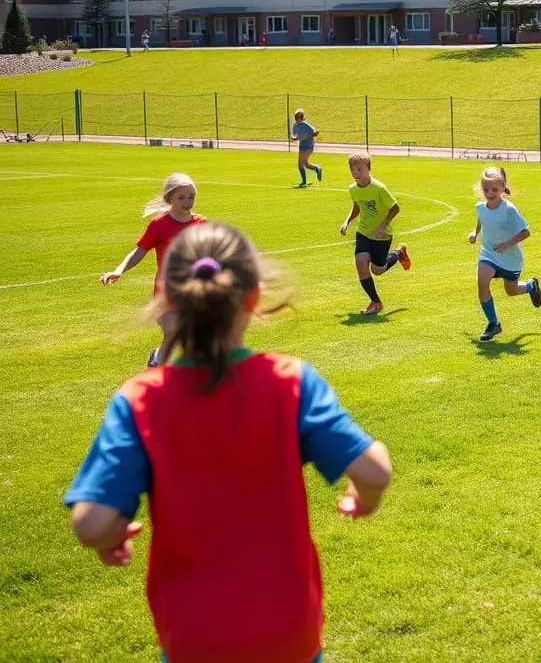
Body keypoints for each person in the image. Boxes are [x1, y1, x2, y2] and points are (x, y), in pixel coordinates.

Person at [67, 221, 392, 663]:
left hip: (193, 637)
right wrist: (364, 499)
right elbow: (373, 470)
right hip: (288, 631)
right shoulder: (291, 383)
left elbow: (90, 523)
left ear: (168, 300)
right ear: (254, 295)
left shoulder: (140, 399)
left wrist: (111, 534)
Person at [100, 173, 206, 368]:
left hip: (191, 293)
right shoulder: (159, 225)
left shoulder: (202, 224)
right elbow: (139, 251)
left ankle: (164, 360)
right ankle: (159, 366)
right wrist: (119, 270)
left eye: (191, 196)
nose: (187, 201)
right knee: (173, 331)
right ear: (169, 199)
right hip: (165, 294)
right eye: (181, 197)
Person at [469, 167, 541, 341]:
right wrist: (475, 233)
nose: (490, 193)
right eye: (486, 190)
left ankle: (531, 286)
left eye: (494, 190)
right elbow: (481, 220)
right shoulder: (480, 207)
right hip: (488, 253)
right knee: (482, 282)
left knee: (511, 291)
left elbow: (525, 232)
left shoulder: (509, 209)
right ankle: (493, 324)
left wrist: (506, 244)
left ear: (502, 188)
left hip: (510, 257)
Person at [340, 153, 411, 315]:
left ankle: (398, 253)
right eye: (352, 170)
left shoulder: (379, 188)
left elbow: (395, 208)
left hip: (382, 235)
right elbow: (357, 206)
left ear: (369, 169)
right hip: (364, 232)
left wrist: (382, 226)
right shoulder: (353, 189)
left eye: (359, 169)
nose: (355, 173)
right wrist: (347, 221)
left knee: (378, 270)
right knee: (360, 262)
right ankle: (375, 302)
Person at [290, 109, 323, 188]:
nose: (296, 119)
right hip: (302, 145)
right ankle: (317, 169)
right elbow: (297, 136)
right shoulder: (296, 126)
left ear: (301, 118)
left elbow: (314, 133)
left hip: (309, 146)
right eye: (295, 118)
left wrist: (316, 133)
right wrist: (294, 138)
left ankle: (304, 182)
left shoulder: (307, 126)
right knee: (305, 164)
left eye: (297, 118)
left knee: (300, 164)